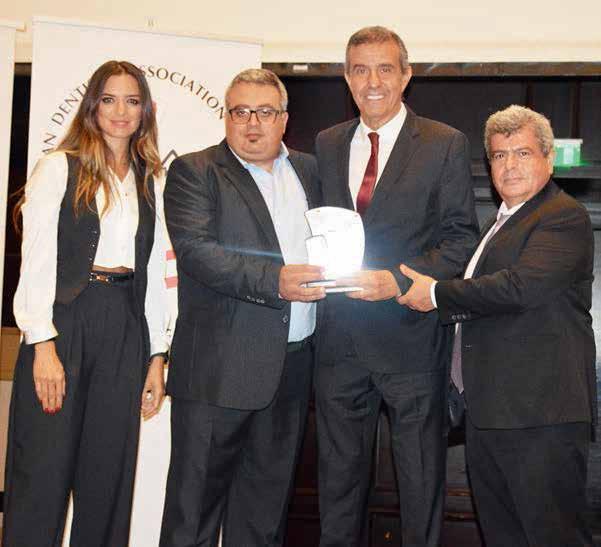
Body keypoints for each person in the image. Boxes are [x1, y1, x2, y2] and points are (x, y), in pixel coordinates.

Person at [398, 105, 597, 547]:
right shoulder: (499, 223)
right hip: (490, 414)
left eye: (523, 153)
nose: (510, 165)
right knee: (502, 536)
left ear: (548, 159)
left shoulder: (563, 216)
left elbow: (519, 288)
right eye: (499, 155)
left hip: (539, 418)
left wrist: (436, 294)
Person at [314, 26, 479, 547]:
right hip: (338, 346)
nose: (373, 81)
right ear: (347, 78)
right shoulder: (327, 143)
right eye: (360, 70)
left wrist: (395, 280)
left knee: (420, 489)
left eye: (385, 68)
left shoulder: (444, 143)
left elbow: (461, 240)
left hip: (411, 343)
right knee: (337, 493)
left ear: (406, 76)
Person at [3, 60, 171, 547]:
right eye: (110, 99)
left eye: (132, 101)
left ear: (145, 111)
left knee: (108, 480)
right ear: (93, 106)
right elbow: (36, 261)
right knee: (42, 473)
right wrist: (43, 345)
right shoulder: (59, 167)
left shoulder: (151, 179)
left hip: (125, 327)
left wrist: (156, 355)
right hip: (64, 325)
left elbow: (154, 273)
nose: (121, 111)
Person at [159, 68, 323, 547]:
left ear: (285, 119)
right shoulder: (195, 171)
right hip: (217, 373)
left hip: (292, 370)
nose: (252, 123)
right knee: (192, 518)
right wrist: (276, 280)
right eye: (240, 112)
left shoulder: (311, 171)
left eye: (265, 112)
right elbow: (197, 253)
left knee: (263, 521)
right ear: (226, 117)